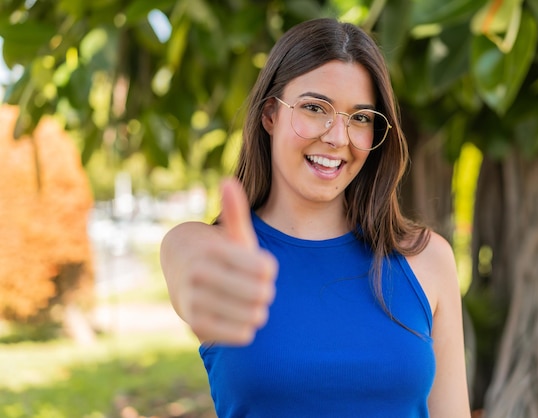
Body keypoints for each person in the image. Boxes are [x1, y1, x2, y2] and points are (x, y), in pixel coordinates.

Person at [160, 17, 471, 418]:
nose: (338, 137)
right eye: (313, 108)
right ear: (269, 114)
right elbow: (189, 265)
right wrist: (203, 289)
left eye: (360, 118)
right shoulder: (214, 249)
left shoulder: (427, 259)